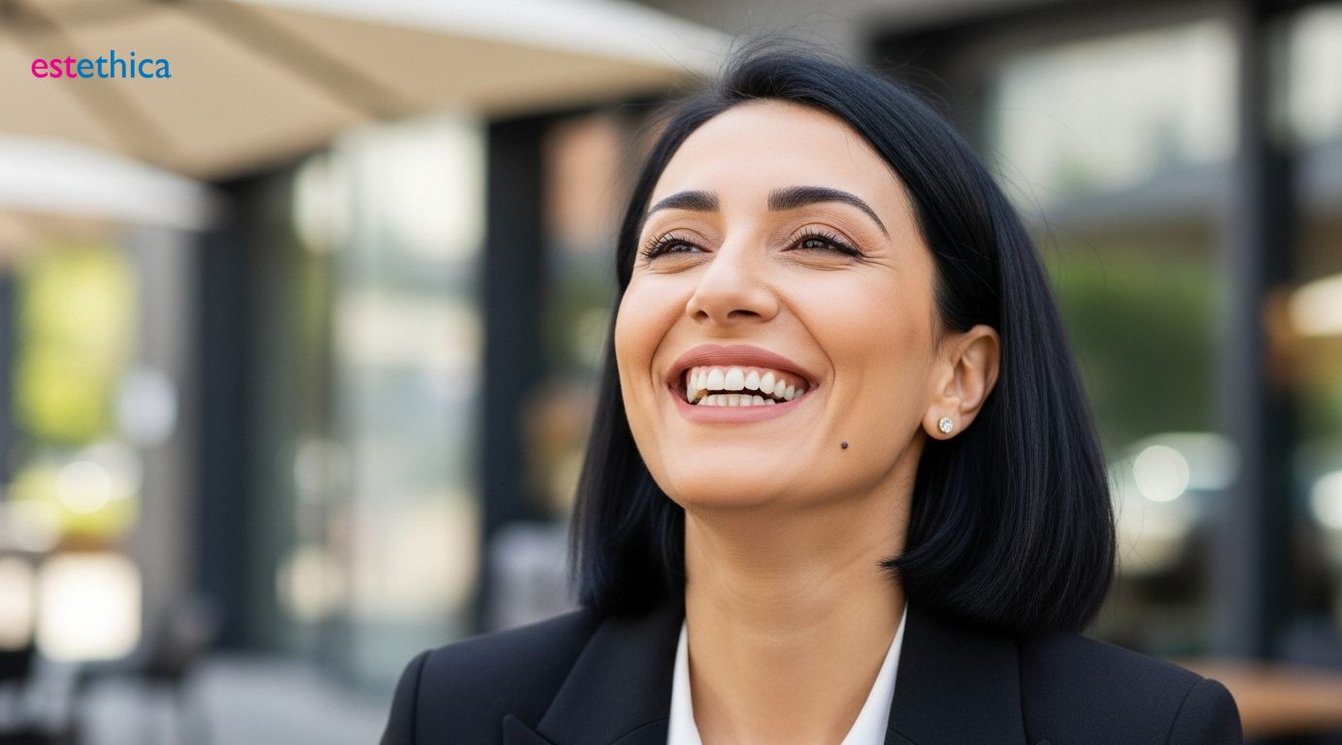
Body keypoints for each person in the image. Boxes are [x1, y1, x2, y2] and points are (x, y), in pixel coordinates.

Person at [381, 43, 1243, 745]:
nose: (719, 289)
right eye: (676, 244)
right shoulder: (454, 713)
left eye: (820, 241)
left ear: (960, 374)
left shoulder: (1146, 731)